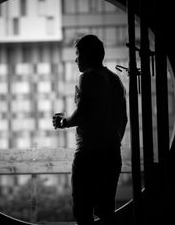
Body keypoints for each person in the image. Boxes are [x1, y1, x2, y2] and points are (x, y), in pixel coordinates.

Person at [52, 34, 128, 225]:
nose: (76, 59)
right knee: (105, 211)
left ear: (87, 55)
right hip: (112, 154)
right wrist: (113, 141)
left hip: (89, 155)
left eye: (78, 54)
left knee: (82, 211)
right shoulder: (115, 80)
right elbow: (124, 119)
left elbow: (82, 113)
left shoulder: (87, 76)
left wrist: (63, 122)